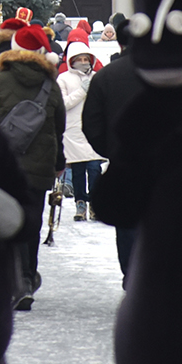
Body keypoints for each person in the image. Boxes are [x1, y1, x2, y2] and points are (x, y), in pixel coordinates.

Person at [0, 23, 66, 310]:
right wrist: (58, 162)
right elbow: (59, 128)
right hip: (40, 164)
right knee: (31, 223)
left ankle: (12, 280)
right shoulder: (51, 84)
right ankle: (28, 278)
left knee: (5, 221)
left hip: (4, 164)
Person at [82, 15, 144, 283]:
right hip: (165, 160)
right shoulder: (168, 73)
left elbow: (91, 123)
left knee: (128, 220)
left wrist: (110, 148)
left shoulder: (106, 76)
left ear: (119, 42)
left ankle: (131, 273)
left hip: (123, 159)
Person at [57, 41, 100, 220]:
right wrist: (81, 92)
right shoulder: (64, 79)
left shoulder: (98, 76)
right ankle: (80, 203)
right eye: (79, 59)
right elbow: (63, 104)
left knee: (95, 168)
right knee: (78, 170)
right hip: (73, 131)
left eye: (86, 59)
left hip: (94, 128)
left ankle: (96, 204)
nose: (83, 62)